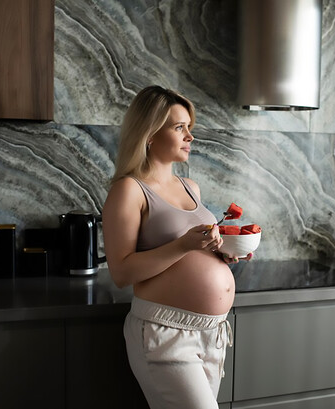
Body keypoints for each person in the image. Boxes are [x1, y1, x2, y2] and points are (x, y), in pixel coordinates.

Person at [102, 85, 252, 409]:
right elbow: (121, 272)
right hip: (165, 333)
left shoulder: (190, 186)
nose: (190, 136)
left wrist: (221, 253)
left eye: (189, 127)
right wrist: (184, 245)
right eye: (179, 127)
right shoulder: (129, 190)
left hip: (212, 333)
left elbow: (193, 251)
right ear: (150, 133)